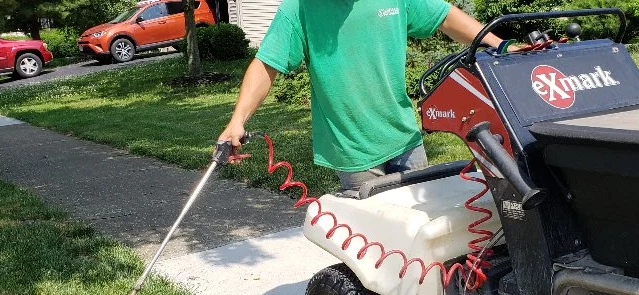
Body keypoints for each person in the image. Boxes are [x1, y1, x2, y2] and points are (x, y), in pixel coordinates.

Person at [217, 0, 508, 195]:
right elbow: (267, 64)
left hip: (406, 139)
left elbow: (444, 16)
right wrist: (237, 119)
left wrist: (501, 48)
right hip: (354, 151)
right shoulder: (300, 8)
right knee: (377, 249)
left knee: (421, 232)